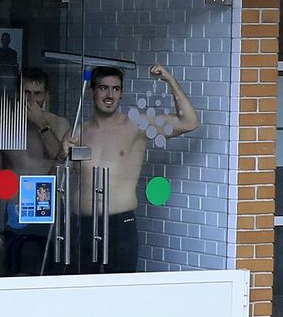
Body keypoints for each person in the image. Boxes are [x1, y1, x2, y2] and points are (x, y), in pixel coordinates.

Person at [68, 63, 199, 273]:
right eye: (103, 88)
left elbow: (189, 122)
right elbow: (56, 171)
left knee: (121, 293)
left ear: (122, 94)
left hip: (120, 223)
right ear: (92, 91)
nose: (110, 95)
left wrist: (170, 80)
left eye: (116, 89)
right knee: (80, 293)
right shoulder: (79, 130)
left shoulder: (136, 125)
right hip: (82, 224)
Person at [0, 63, 70, 275]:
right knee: (17, 272)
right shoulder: (3, 124)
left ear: (46, 95)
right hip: (16, 207)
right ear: (17, 93)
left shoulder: (58, 123)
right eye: (26, 93)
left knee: (49, 274)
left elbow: (60, 158)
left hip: (49, 208)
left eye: (37, 94)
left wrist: (41, 124)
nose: (31, 100)